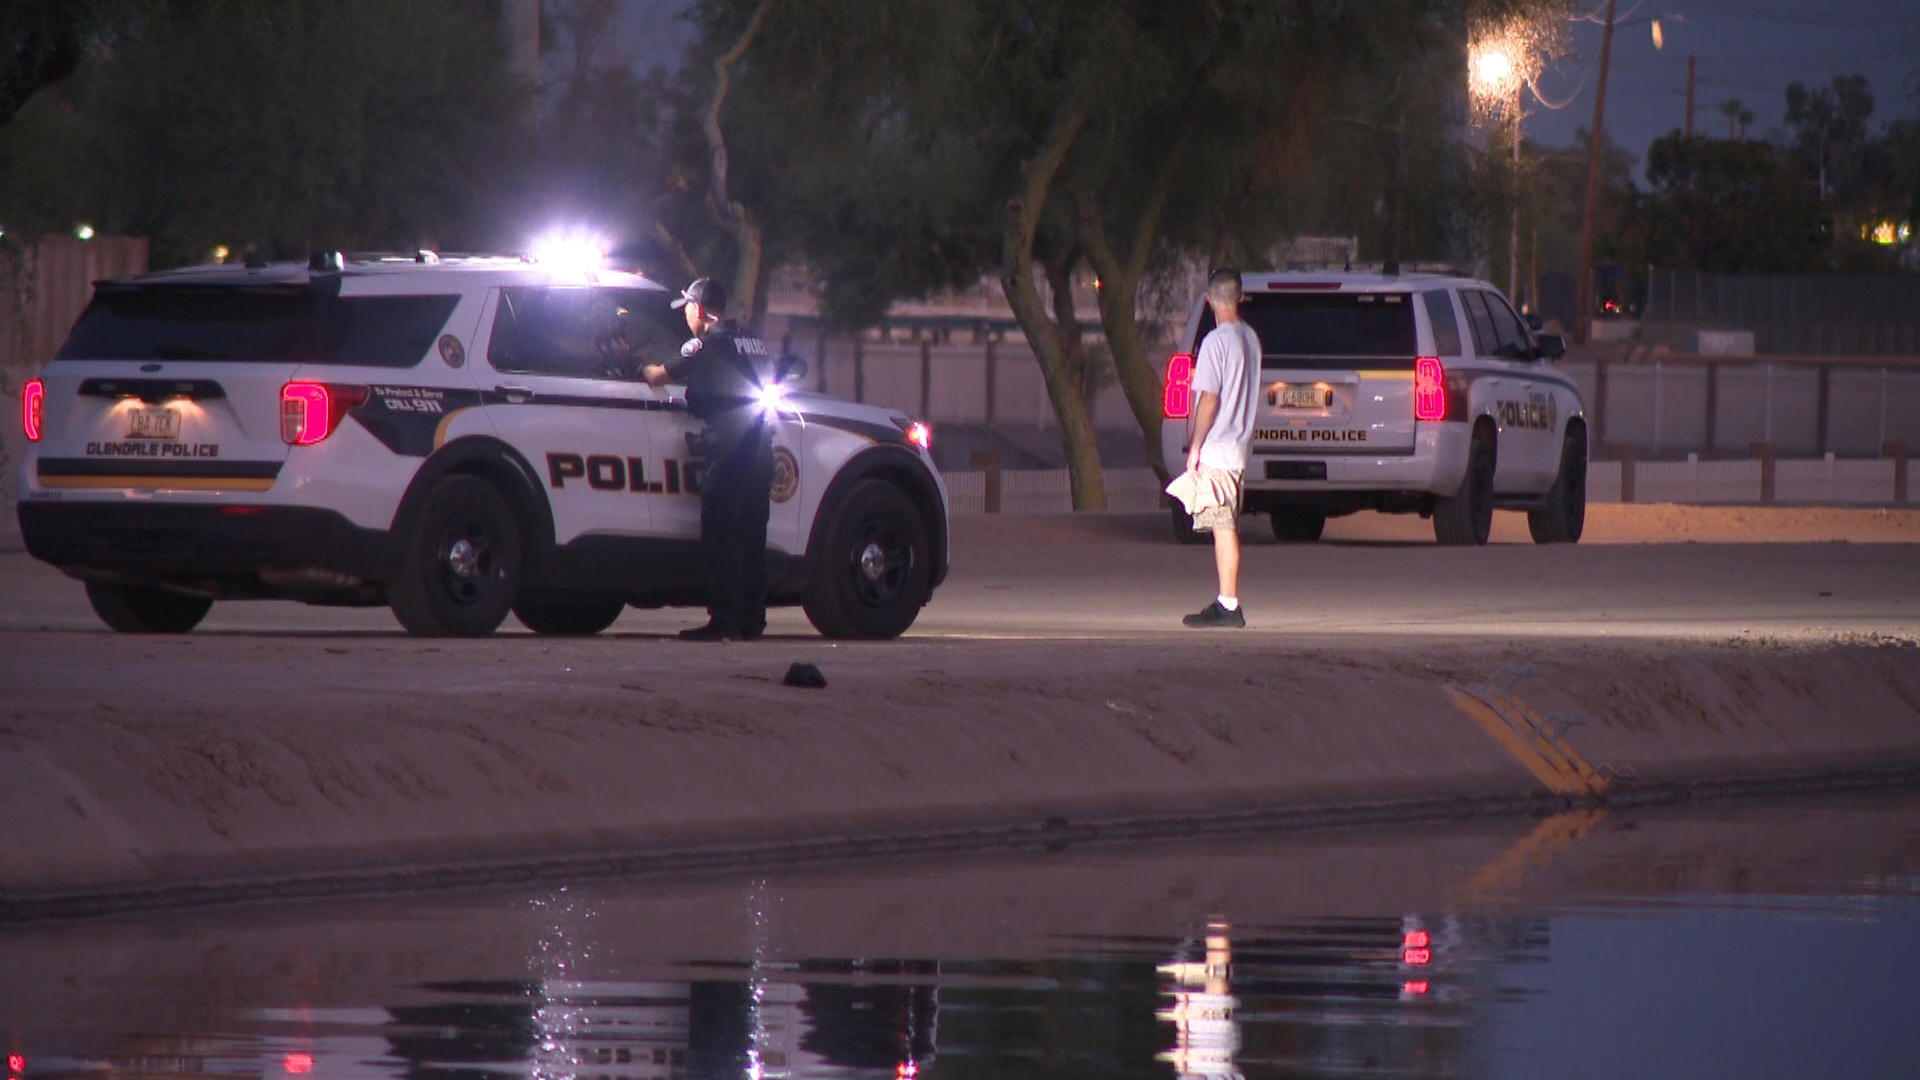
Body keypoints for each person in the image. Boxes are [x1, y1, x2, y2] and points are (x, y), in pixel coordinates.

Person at [643, 277, 776, 641]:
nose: (685, 314)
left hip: (730, 454)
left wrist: (638, 363)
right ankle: (752, 621)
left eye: (686, 307)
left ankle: (723, 621)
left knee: (721, 537)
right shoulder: (754, 341)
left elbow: (657, 377)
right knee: (752, 538)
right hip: (762, 450)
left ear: (698, 309)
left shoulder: (704, 344)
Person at [1173, 268, 1261, 629]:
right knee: (1224, 524)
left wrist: (1195, 445)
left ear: (1209, 299)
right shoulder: (1251, 339)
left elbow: (1208, 398)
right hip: (1239, 444)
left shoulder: (1215, 342)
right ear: (1240, 298)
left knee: (1223, 527)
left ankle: (1228, 604)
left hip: (1219, 447)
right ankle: (1226, 600)